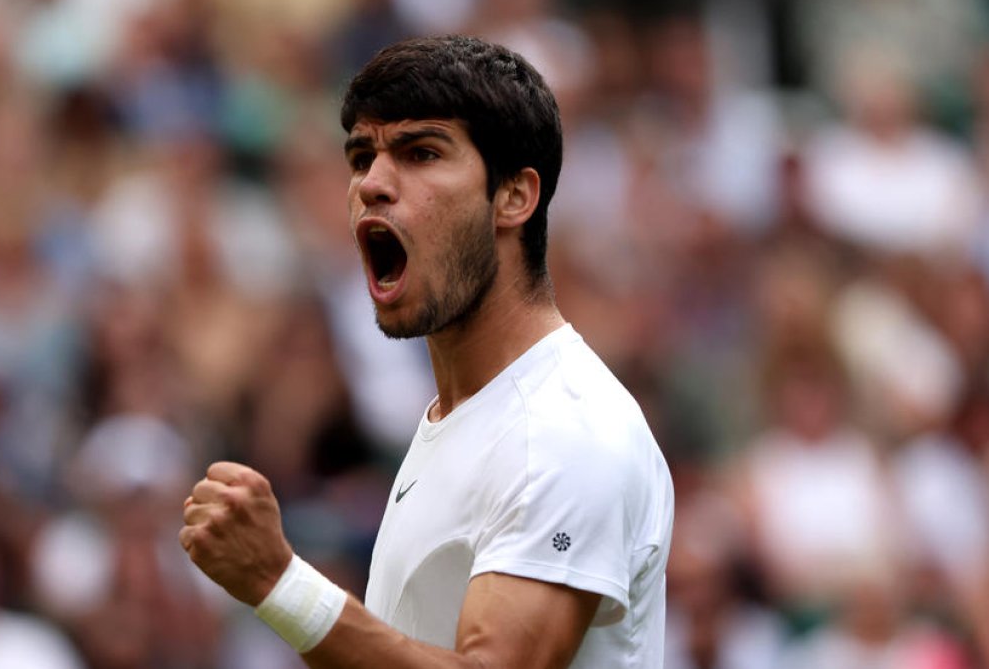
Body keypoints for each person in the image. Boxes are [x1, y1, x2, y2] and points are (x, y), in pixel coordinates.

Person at [179, 35, 674, 668]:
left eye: (420, 152)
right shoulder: (463, 410)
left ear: (515, 196)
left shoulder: (562, 431)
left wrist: (280, 584)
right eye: (361, 157)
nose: (373, 184)